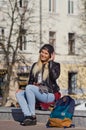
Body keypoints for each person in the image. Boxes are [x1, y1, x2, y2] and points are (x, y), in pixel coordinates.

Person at [16, 44, 61, 126]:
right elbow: (30, 83)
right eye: (42, 52)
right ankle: (28, 115)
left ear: (50, 55)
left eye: (46, 53)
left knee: (29, 88)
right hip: (38, 93)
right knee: (19, 93)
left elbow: (54, 77)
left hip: (49, 94)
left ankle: (33, 117)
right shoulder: (35, 65)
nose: (43, 55)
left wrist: (51, 62)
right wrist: (28, 89)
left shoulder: (55, 65)